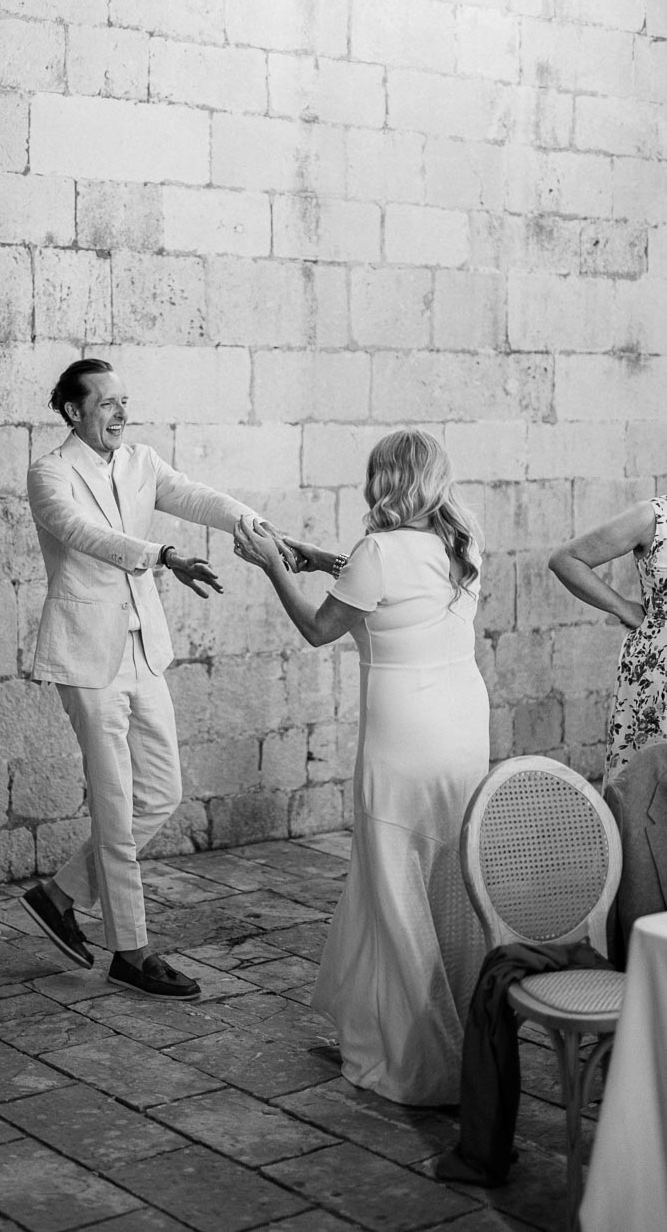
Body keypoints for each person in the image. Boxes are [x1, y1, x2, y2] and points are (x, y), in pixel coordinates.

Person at [20, 358, 291, 1001]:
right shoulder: (49, 473)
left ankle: (58, 897)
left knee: (161, 793)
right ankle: (131, 952)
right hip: (88, 659)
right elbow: (85, 536)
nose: (120, 412)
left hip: (144, 651)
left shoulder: (140, 461)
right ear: (74, 411)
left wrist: (256, 526)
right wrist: (162, 556)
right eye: (106, 403)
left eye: (124, 400)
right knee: (115, 808)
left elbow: (194, 495)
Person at [232, 428, 489, 1105]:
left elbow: (321, 629)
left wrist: (273, 565)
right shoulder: (461, 546)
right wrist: (321, 557)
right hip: (462, 729)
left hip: (402, 738)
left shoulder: (377, 551)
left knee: (394, 883)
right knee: (448, 884)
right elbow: (392, 588)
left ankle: (419, 1060)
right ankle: (446, 1033)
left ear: (386, 480)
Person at [549, 497, 665, 786]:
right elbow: (566, 560)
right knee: (648, 796)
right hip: (658, 679)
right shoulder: (652, 517)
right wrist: (622, 607)